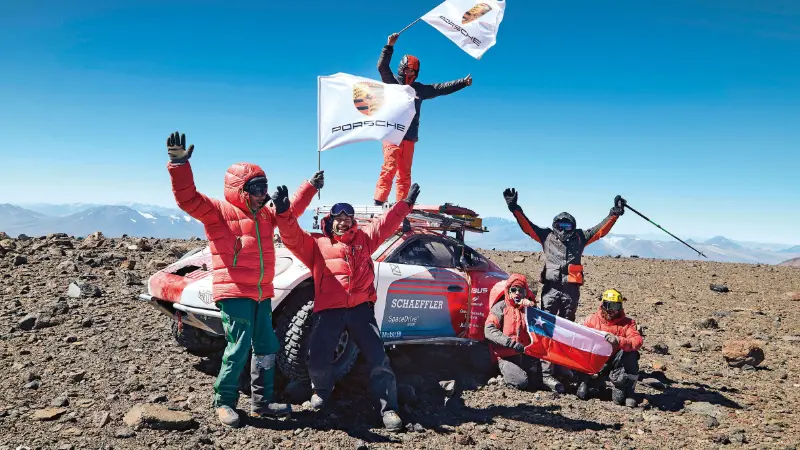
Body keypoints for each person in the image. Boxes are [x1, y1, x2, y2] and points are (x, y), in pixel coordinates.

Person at [165, 131, 325, 428]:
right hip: (234, 292)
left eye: (264, 187)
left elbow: (291, 212)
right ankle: (224, 402)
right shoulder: (218, 212)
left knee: (266, 346)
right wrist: (179, 165)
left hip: (262, 292)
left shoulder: (264, 214)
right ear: (240, 189)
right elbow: (188, 199)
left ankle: (261, 402)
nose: (263, 193)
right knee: (238, 347)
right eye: (256, 187)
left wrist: (309, 188)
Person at [271, 182, 421, 432]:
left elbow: (386, 223)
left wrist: (405, 204)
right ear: (330, 221)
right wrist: (284, 212)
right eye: (338, 218)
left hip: (361, 309)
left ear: (353, 221)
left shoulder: (365, 239)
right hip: (330, 310)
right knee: (317, 359)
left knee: (378, 358)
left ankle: (389, 408)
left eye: (347, 218)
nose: (343, 222)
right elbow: (291, 235)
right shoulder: (316, 245)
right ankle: (321, 390)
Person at [502, 188, 626, 391]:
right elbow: (527, 227)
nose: (565, 228)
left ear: (573, 226)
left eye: (568, 225)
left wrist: (614, 213)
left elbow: (600, 230)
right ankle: (547, 372)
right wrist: (514, 208)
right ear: (555, 225)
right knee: (545, 330)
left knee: (567, 331)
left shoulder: (580, 237)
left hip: (571, 291)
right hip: (551, 289)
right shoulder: (546, 236)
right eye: (561, 225)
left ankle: (563, 367)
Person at [373, 32, 472, 206]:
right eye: (408, 69)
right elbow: (382, 67)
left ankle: (401, 207)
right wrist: (389, 46)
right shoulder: (392, 83)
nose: (410, 72)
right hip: (392, 135)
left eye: (413, 70)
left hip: (409, 138)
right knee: (389, 168)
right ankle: (379, 202)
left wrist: (462, 83)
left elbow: (440, 88)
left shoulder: (420, 89)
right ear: (402, 69)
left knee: (404, 174)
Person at [577, 289, 643, 407]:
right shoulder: (592, 320)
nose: (612, 310)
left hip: (616, 362)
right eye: (609, 305)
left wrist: (619, 341)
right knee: (583, 394)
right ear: (603, 305)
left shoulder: (628, 323)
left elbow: (637, 341)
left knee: (632, 354)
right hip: (596, 362)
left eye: (616, 306)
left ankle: (628, 391)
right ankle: (585, 382)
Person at [483, 274, 545, 391]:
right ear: (508, 291)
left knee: (538, 381)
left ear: (525, 293)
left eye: (520, 290)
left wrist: (532, 309)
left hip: (525, 355)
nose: (517, 293)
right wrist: (510, 343)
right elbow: (489, 329)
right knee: (521, 382)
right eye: (514, 289)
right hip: (505, 357)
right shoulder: (500, 307)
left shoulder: (529, 310)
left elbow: (541, 329)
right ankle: (501, 376)